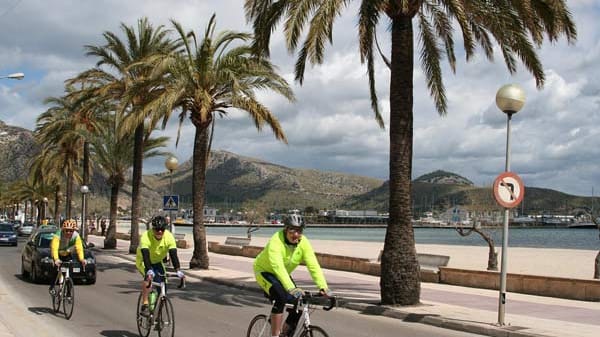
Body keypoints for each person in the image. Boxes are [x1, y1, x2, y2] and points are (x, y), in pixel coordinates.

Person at [253, 214, 332, 337]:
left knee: (299, 302)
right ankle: (275, 335)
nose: (296, 234)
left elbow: (313, 265)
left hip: (282, 274)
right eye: (292, 230)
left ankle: (285, 334)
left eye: (299, 231)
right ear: (286, 229)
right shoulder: (276, 240)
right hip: (264, 272)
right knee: (280, 297)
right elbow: (277, 267)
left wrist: (323, 287)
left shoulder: (303, 242)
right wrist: (291, 288)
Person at [135, 215, 185, 317]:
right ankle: (144, 305)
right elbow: (145, 255)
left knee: (163, 288)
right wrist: (148, 270)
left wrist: (178, 270)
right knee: (148, 278)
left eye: (162, 229)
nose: (160, 232)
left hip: (157, 262)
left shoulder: (169, 236)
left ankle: (157, 313)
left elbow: (173, 255)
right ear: (153, 229)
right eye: (157, 230)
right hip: (144, 261)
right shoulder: (146, 236)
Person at [49, 219, 87, 294]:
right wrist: (56, 259)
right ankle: (52, 286)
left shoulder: (76, 236)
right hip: (57, 253)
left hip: (67, 254)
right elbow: (54, 248)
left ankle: (69, 293)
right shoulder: (58, 234)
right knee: (56, 270)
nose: (68, 232)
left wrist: (82, 259)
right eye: (66, 230)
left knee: (70, 273)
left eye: (71, 231)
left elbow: (79, 248)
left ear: (73, 231)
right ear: (63, 230)